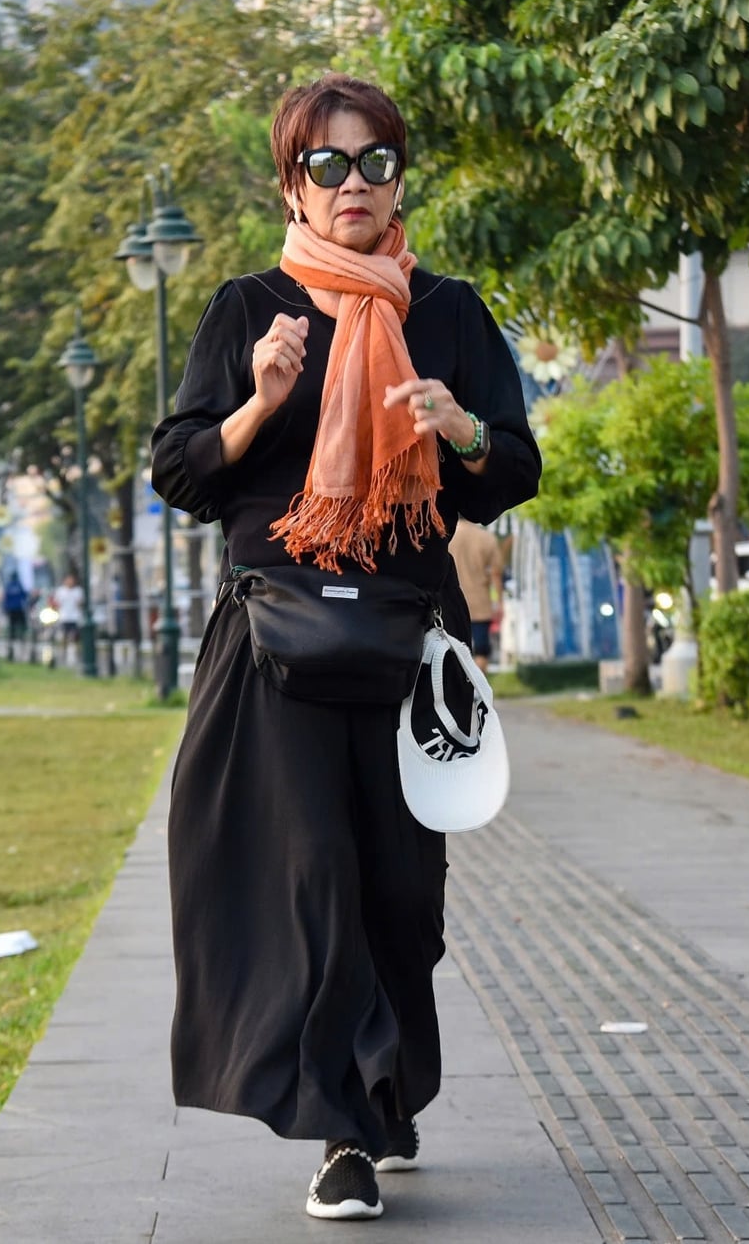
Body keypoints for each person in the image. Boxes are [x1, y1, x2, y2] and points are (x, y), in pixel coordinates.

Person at [150, 73, 540, 1222]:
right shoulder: (247, 308)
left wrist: (457, 426)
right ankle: (342, 1135)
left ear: (398, 177)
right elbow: (179, 471)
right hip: (276, 644)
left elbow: (513, 468)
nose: (353, 183)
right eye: (328, 165)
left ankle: (386, 1085)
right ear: (292, 184)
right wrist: (259, 403)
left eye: (373, 162)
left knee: (403, 895)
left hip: (409, 645)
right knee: (313, 879)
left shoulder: (451, 313)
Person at [448, 519, 505, 671]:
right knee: (481, 650)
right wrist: (499, 603)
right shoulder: (486, 538)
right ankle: (476, 691)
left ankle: (457, 691)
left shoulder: (447, 536)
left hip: (451, 604)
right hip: (480, 604)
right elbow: (496, 574)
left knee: (452, 651)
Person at [50, 571, 84, 659]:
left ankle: (77, 653)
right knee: (64, 636)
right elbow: (56, 603)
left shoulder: (78, 591)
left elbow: (80, 603)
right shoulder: (60, 591)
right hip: (64, 617)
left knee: (75, 636)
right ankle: (63, 653)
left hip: (75, 617)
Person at [2, 569, 30, 651]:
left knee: (12, 626)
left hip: (11, 609)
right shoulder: (19, 585)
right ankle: (22, 638)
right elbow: (24, 595)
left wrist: (5, 608)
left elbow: (5, 599)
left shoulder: (8, 586)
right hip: (18, 608)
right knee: (22, 625)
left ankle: (11, 641)